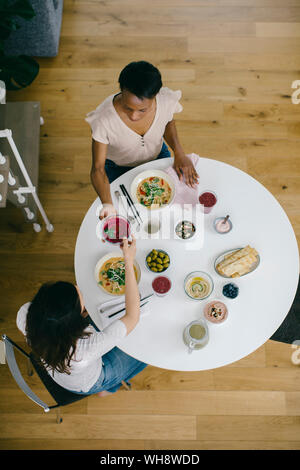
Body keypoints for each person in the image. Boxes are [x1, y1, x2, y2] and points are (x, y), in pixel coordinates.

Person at [16, 236, 147, 396]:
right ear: (75, 320)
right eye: (80, 296)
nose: (79, 287)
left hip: (60, 368)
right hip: (91, 380)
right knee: (145, 353)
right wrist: (128, 260)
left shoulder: (26, 313)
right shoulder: (84, 349)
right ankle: (108, 389)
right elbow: (133, 316)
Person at [86, 60, 199, 220]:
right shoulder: (103, 119)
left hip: (158, 156)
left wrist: (179, 152)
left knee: (170, 208)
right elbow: (97, 169)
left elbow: (168, 121)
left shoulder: (165, 100)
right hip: (119, 167)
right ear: (121, 90)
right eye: (127, 107)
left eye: (142, 110)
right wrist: (107, 205)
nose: (134, 116)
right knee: (130, 214)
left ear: (155, 96)